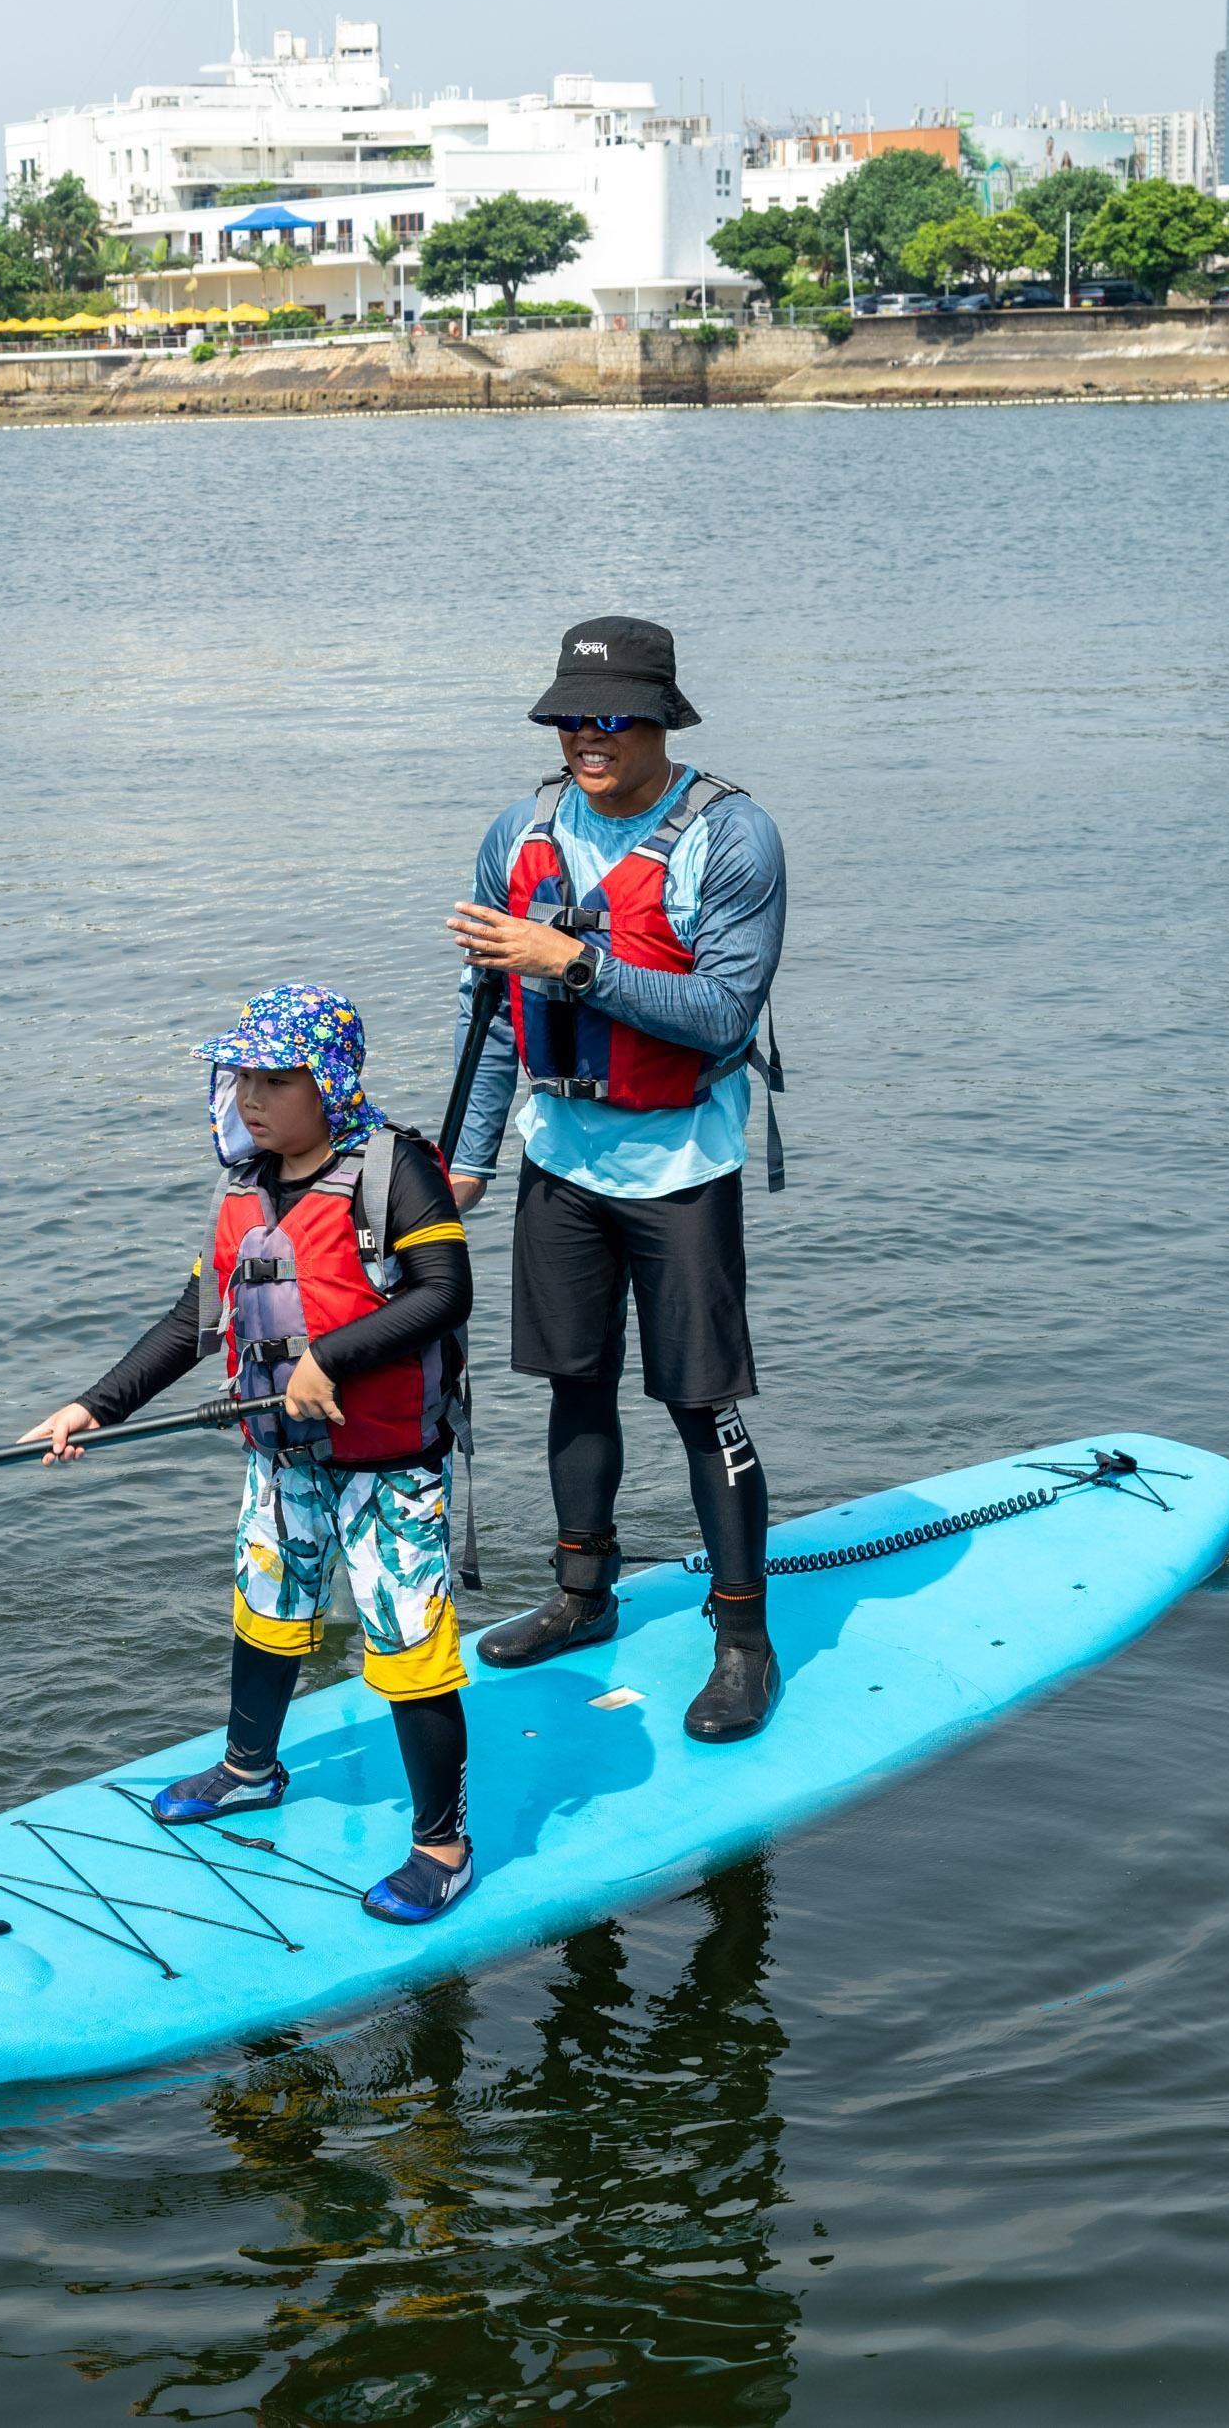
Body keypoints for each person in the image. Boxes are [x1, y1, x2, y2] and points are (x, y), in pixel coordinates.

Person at [24, 986, 482, 1925]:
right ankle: (248, 1768)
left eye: (277, 1078)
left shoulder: (395, 1171)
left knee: (408, 1651)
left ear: (330, 1081)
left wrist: (330, 1357)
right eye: (242, 1078)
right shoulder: (241, 1189)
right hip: (284, 1464)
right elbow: (193, 1324)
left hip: (388, 1468)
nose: (251, 1098)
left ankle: (444, 1844)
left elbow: (446, 1291)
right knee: (266, 1611)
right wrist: (91, 1406)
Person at [442, 616, 790, 1743]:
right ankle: (580, 1596)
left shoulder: (732, 839)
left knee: (698, 1402)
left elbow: (722, 1011)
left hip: (681, 1164)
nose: (585, 738)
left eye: (609, 718)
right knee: (570, 1381)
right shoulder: (520, 833)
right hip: (560, 1161)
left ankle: (742, 1638)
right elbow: (491, 1017)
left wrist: (579, 962)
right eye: (568, 717)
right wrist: (469, 1159)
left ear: (659, 720)